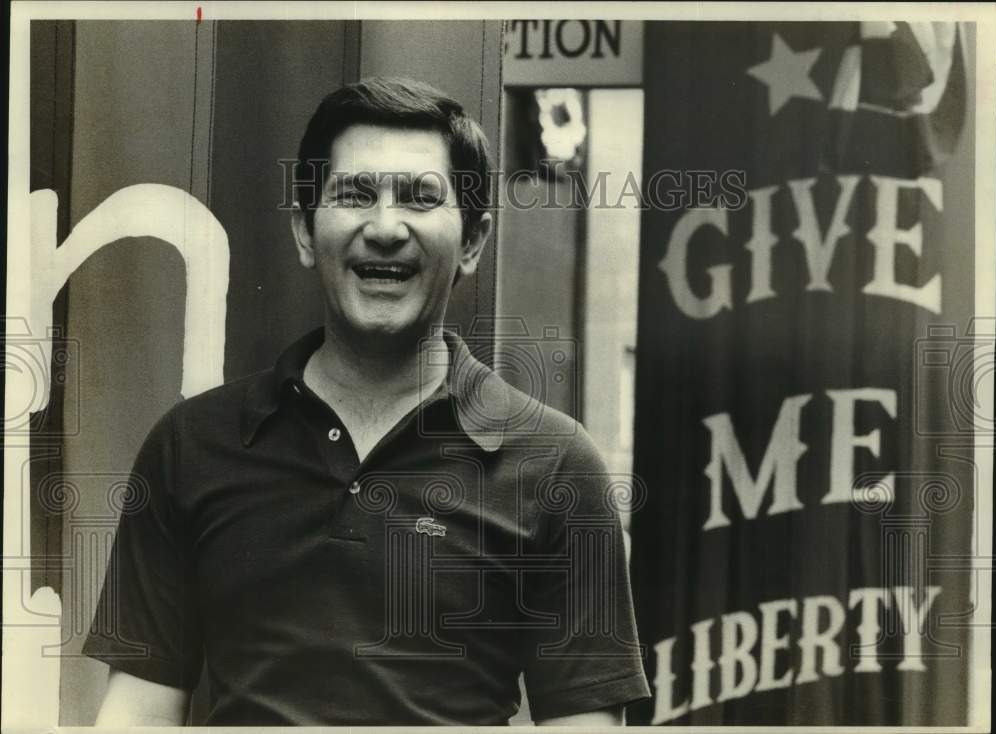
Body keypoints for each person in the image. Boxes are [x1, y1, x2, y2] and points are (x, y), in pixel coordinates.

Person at [84, 76, 650, 726]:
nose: (385, 228)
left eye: (420, 198)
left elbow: (584, 723)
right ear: (303, 231)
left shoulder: (554, 465)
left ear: (473, 241)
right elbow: (138, 711)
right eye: (355, 195)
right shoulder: (190, 448)